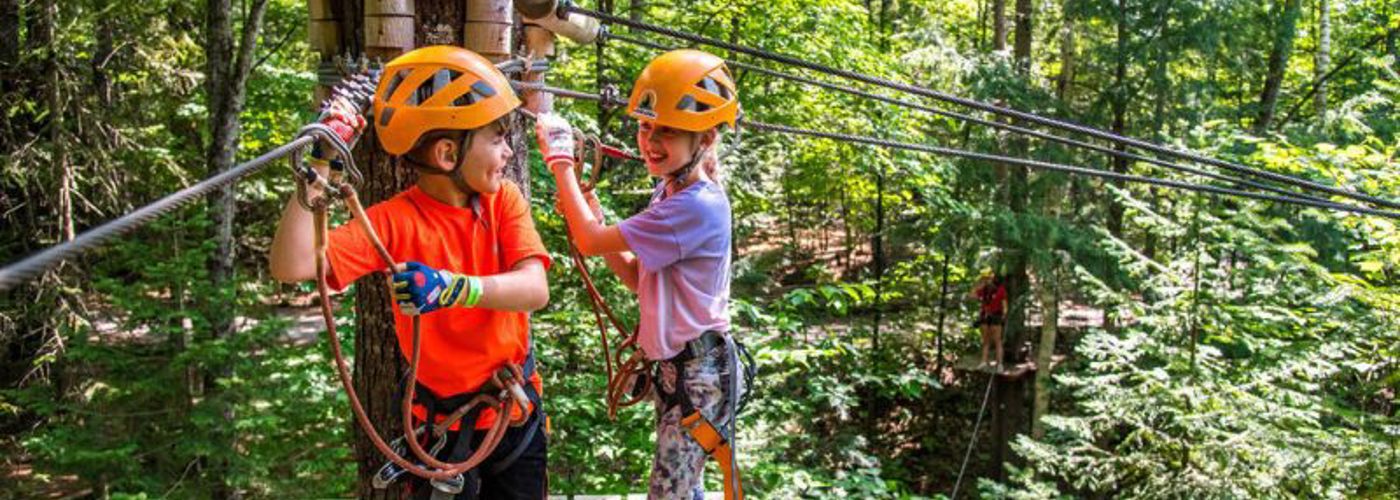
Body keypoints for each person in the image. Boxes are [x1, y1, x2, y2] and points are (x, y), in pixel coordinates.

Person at [268, 45, 552, 499]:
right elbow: (292, 264)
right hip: (441, 428)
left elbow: (535, 288)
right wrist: (319, 166)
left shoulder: (504, 202)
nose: (508, 151)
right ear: (446, 153)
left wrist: (450, 287)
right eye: (497, 139)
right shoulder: (391, 221)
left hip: (512, 419)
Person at [534, 48, 748, 499]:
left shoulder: (694, 206)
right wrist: (588, 207)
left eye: (668, 130)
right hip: (682, 372)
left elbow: (591, 241)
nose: (650, 140)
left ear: (705, 139)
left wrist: (560, 163)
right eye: (646, 125)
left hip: (696, 374)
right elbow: (637, 277)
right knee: (683, 490)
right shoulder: (671, 193)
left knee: (669, 493)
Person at [969, 271, 1007, 371]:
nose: (988, 281)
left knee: (997, 340)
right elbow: (972, 296)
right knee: (985, 341)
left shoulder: (1000, 289)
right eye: (986, 279)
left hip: (996, 316)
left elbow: (1004, 305)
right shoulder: (983, 289)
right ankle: (983, 362)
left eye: (989, 279)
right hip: (985, 316)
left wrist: (1003, 317)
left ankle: (999, 364)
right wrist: (978, 285)